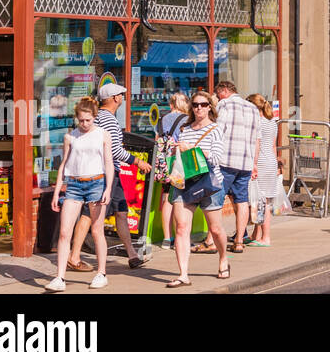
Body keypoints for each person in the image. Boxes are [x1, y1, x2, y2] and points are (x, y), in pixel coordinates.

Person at [66, 83, 151, 272]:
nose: (123, 98)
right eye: (121, 95)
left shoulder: (98, 117)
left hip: (109, 173)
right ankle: (74, 256)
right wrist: (137, 161)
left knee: (121, 211)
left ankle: (132, 255)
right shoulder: (109, 120)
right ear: (115, 98)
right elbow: (115, 151)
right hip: (104, 173)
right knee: (89, 214)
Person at [46, 97, 114, 291]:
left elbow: (108, 163)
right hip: (74, 184)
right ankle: (60, 277)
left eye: (88, 120)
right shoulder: (70, 137)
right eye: (81, 120)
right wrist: (57, 191)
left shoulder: (103, 134)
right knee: (64, 232)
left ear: (94, 117)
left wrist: (108, 188)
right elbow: (64, 164)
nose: (84, 124)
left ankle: (101, 273)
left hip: (96, 182)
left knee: (97, 230)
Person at [166, 89, 229, 287]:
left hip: (209, 183)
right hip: (185, 182)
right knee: (182, 228)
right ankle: (183, 274)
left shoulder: (216, 129)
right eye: (195, 105)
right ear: (191, 108)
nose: (199, 108)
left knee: (215, 229)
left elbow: (216, 158)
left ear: (210, 107)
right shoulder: (185, 129)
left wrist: (193, 149)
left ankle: (223, 258)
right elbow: (178, 155)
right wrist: (175, 150)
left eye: (203, 104)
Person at [214, 80, 261, 253]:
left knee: (216, 201)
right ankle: (239, 241)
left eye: (218, 94)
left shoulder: (224, 105)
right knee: (242, 201)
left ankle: (211, 240)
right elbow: (257, 139)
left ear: (225, 90)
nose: (218, 97)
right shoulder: (253, 108)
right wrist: (254, 163)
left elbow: (217, 132)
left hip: (226, 161)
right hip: (245, 162)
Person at [246, 93, 278, 247]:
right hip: (271, 161)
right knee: (263, 201)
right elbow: (273, 146)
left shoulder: (256, 123)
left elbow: (255, 146)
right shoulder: (272, 122)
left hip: (261, 163)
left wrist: (253, 164)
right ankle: (256, 234)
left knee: (262, 202)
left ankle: (266, 237)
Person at [158, 92, 189, 250]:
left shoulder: (163, 119)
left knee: (166, 198)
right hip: (179, 163)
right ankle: (179, 238)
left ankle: (166, 238)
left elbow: (157, 139)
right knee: (179, 200)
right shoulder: (186, 119)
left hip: (165, 162)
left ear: (171, 104)